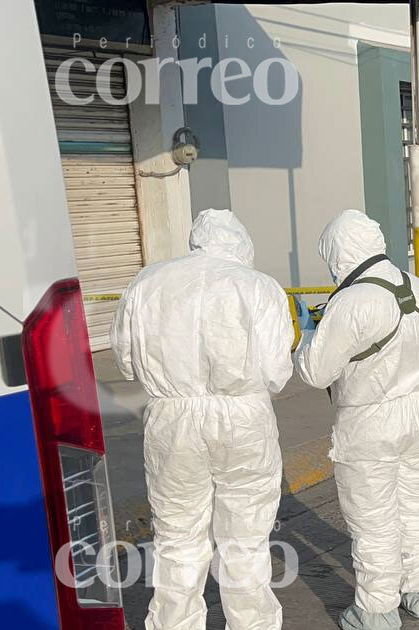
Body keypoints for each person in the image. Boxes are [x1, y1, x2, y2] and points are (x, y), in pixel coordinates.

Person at [111, 209, 292, 630]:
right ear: (240, 243)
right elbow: (277, 372)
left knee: (176, 536)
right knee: (244, 540)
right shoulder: (259, 287)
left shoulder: (147, 282)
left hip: (172, 419)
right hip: (243, 418)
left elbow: (124, 360)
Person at [294, 210, 419, 630]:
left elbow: (315, 372)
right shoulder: (416, 286)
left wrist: (308, 332)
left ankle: (376, 610)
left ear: (339, 254)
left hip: (371, 419)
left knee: (373, 517)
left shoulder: (350, 302)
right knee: (416, 505)